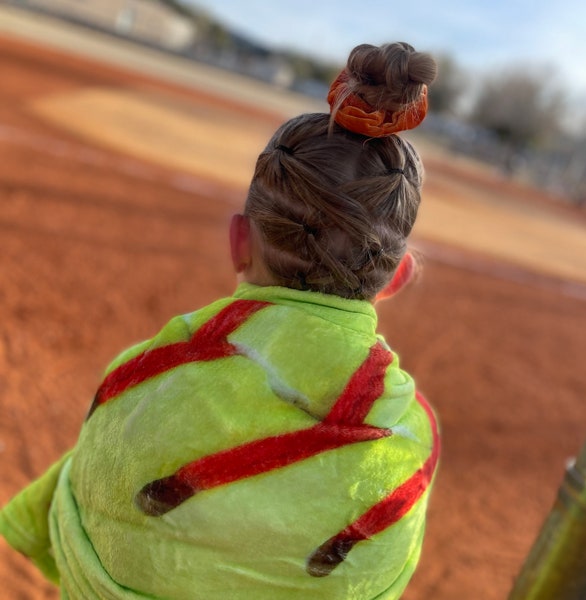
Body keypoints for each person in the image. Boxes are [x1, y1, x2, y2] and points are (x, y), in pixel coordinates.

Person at [0, 41, 440, 599]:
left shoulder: (145, 379)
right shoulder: (411, 439)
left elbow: (81, 512)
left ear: (239, 241)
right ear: (396, 276)